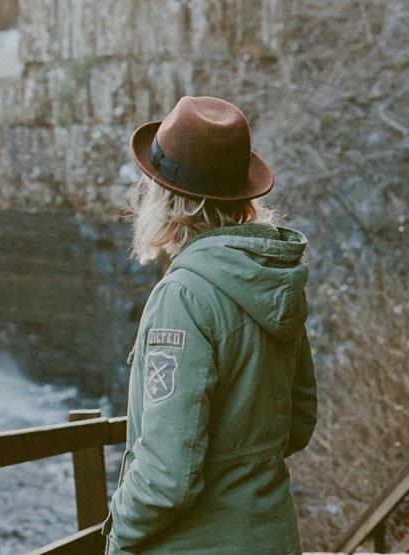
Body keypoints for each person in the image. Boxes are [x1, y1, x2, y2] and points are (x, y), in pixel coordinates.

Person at [102, 95, 318, 554]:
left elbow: (166, 476)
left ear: (166, 198)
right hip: (271, 536)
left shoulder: (182, 297)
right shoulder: (273, 279)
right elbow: (297, 422)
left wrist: (117, 533)